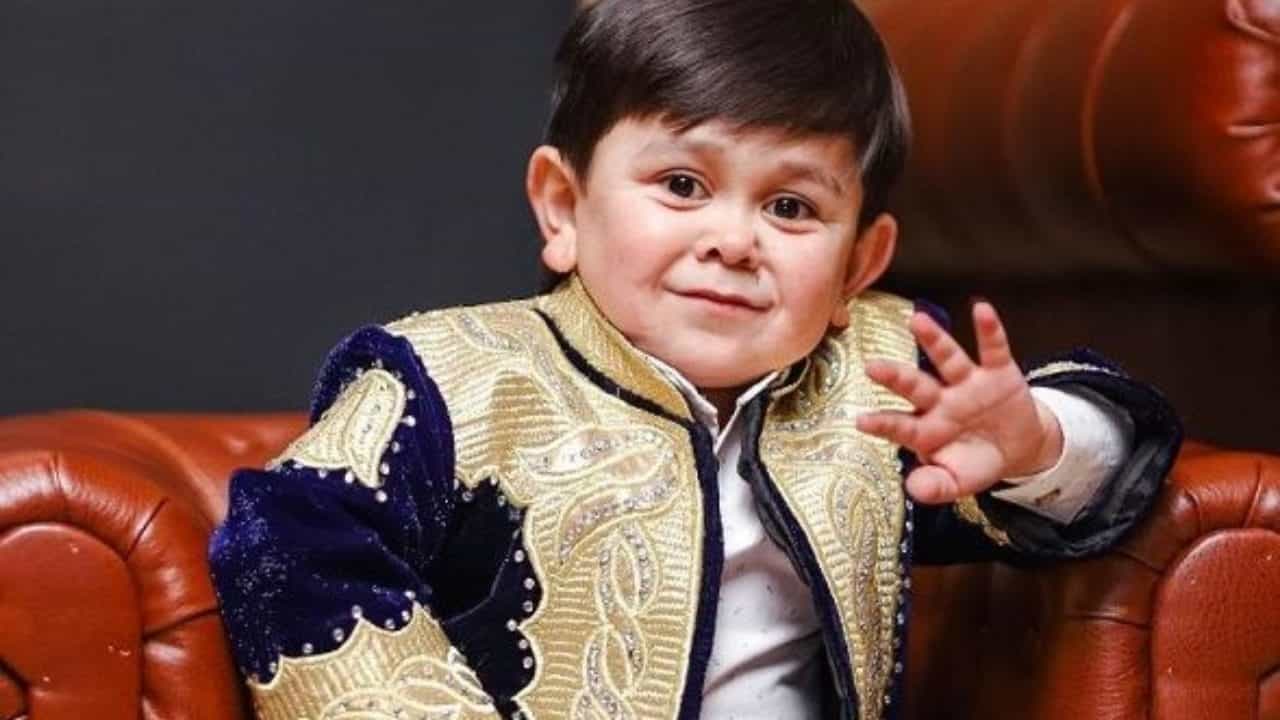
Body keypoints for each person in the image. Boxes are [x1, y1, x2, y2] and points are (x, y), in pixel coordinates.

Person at [209, 1, 1181, 718]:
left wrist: (1032, 441)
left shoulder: (883, 380)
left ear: (858, 264)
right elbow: (289, 545)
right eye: (682, 185)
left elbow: (1105, 471)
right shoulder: (454, 377)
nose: (733, 241)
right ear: (563, 207)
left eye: (790, 207)